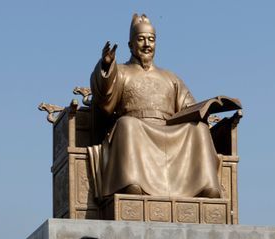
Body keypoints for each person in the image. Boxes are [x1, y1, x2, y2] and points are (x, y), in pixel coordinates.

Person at [89, 14, 222, 199]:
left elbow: (188, 106)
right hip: (138, 128)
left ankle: (206, 186)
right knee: (127, 124)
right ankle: (132, 182)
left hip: (169, 128)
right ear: (130, 45)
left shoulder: (170, 77)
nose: (147, 44)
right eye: (141, 39)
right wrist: (106, 66)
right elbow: (104, 95)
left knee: (199, 129)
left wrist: (204, 111)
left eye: (151, 40)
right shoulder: (121, 71)